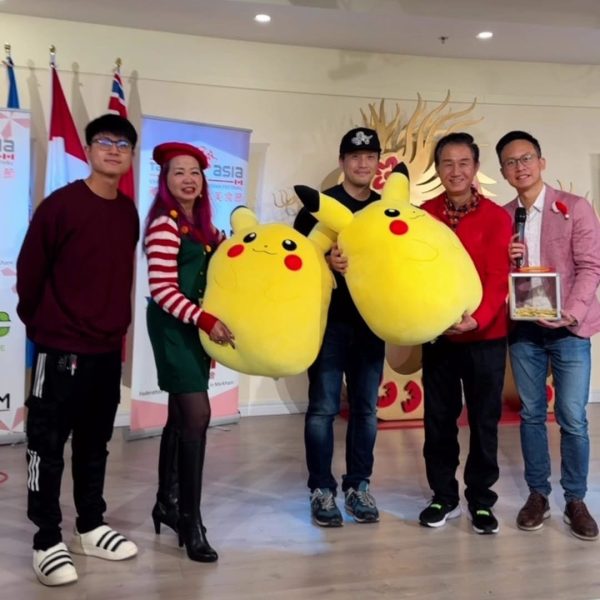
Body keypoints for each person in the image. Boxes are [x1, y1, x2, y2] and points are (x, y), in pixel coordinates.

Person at [16, 114, 139, 586]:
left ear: (130, 157)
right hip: (61, 347)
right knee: (46, 445)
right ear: (88, 150)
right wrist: (47, 327)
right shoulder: (61, 206)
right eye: (104, 141)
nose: (113, 150)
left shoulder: (127, 211)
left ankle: (90, 525)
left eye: (123, 144)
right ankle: (47, 538)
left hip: (106, 350)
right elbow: (30, 273)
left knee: (95, 443)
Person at [496, 130, 600, 541]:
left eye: (526, 158)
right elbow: (494, 276)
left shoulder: (574, 208)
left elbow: (591, 266)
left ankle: (575, 499)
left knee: (573, 417)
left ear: (541, 162)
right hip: (524, 331)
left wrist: (570, 312)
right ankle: (538, 494)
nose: (520, 167)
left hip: (570, 329)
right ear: (503, 172)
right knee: (531, 414)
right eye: (511, 162)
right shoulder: (503, 217)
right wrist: (505, 259)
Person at [418, 132, 512, 534]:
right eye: (447, 163)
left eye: (463, 163)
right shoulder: (423, 215)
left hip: (485, 338)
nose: (455, 171)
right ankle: (443, 496)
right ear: (437, 169)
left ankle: (481, 500)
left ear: (475, 168)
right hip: (439, 337)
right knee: (439, 420)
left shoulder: (496, 217)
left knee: (484, 421)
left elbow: (498, 276)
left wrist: (479, 318)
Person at [145, 141, 234, 562]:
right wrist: (206, 320)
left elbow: (223, 261)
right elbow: (163, 290)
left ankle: (167, 502)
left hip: (191, 328)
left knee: (181, 416)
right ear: (165, 180)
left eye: (195, 172)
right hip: (174, 329)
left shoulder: (203, 227)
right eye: (178, 172)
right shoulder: (164, 225)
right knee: (197, 415)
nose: (188, 179)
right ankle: (191, 520)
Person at [294, 127, 385, 527]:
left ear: (378, 162)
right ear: (342, 162)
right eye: (354, 157)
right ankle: (321, 489)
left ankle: (358, 486)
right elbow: (293, 263)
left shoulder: (384, 209)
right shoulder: (318, 207)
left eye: (369, 157)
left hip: (371, 324)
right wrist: (324, 263)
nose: (362, 163)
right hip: (328, 324)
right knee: (323, 409)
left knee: (365, 410)